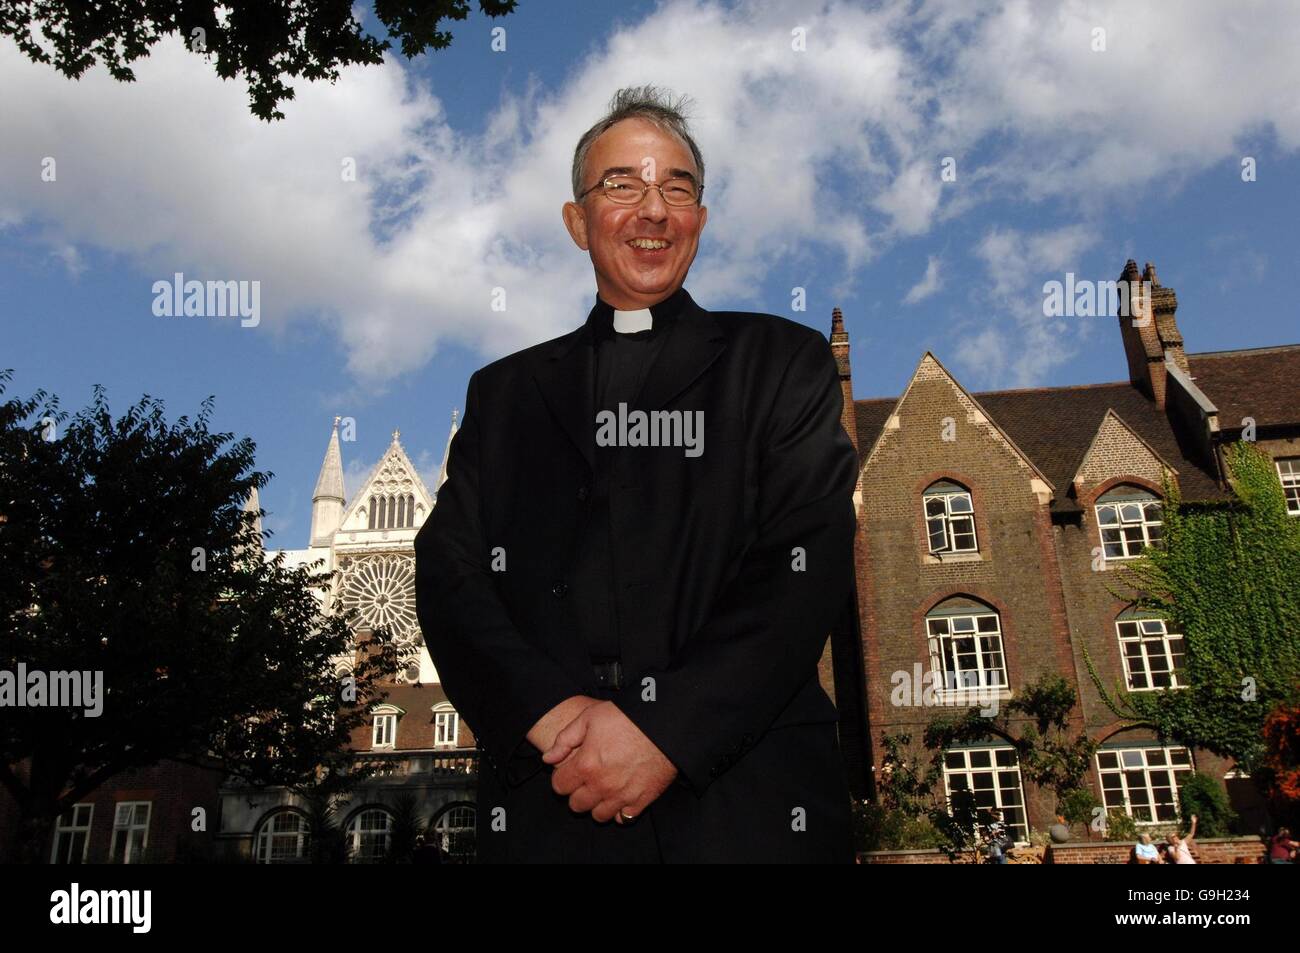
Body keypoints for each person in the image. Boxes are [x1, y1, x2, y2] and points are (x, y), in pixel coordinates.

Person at [414, 86, 859, 863]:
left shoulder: (783, 362)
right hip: (553, 802)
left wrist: (665, 731)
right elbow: (449, 574)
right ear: (577, 221)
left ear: (700, 221)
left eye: (676, 187)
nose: (653, 209)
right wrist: (548, 715)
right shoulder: (505, 393)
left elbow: (804, 562)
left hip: (751, 809)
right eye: (622, 184)